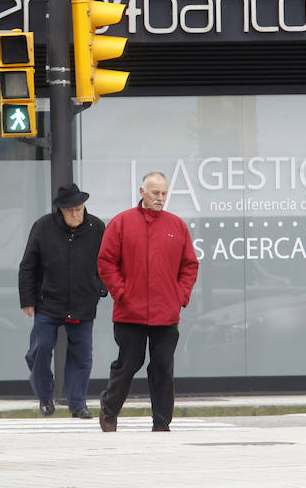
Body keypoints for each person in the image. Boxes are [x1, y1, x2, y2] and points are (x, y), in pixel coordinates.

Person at [97, 172, 199, 432]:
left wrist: (180, 296)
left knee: (163, 366)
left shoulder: (177, 226)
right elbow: (106, 262)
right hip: (129, 311)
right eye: (155, 193)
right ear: (142, 191)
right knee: (128, 363)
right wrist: (121, 292)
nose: (160, 198)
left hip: (166, 313)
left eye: (164, 193)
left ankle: (162, 422)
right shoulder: (121, 223)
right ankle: (109, 410)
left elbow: (189, 265)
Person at [18, 183, 106, 419]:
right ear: (61, 210)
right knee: (40, 348)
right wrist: (27, 299)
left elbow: (107, 262)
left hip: (83, 302)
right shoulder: (43, 227)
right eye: (70, 210)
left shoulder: (97, 227)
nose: (75, 214)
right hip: (49, 302)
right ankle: (45, 397)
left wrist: (100, 288)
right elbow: (28, 265)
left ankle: (78, 404)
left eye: (78, 208)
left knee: (82, 355)